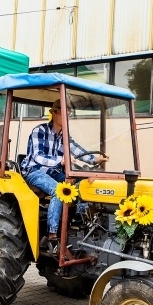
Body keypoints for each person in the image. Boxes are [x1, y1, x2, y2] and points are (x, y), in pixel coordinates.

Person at [20, 99, 108, 251]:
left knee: (81, 185)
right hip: (35, 171)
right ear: (54, 113)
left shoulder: (64, 135)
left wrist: (94, 159)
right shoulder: (39, 131)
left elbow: (76, 150)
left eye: (69, 113)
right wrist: (60, 160)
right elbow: (37, 156)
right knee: (59, 190)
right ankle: (52, 236)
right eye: (64, 113)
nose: (68, 116)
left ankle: (83, 226)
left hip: (54, 172)